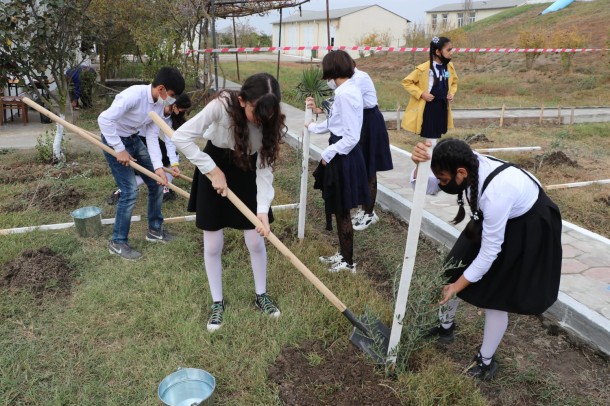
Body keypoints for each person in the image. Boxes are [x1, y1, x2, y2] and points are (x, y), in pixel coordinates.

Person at [411, 138, 562, 380]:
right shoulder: (465, 164)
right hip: (494, 218)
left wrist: (458, 287)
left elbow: (490, 252)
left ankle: (485, 362)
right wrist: (418, 164)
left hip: (528, 224)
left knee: (497, 295)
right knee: (450, 271)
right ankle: (445, 328)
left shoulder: (496, 195)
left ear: (461, 173)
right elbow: (428, 186)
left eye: (444, 180)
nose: (441, 184)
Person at [172, 73, 285, 332]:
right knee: (213, 245)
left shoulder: (269, 119)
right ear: (243, 100)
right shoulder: (220, 106)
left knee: (256, 239)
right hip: (215, 168)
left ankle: (261, 296)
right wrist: (212, 171)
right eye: (257, 112)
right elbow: (181, 137)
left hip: (248, 174)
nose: (261, 119)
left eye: (268, 114)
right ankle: (217, 303)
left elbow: (265, 170)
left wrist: (263, 210)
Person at [99, 67, 185, 260]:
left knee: (156, 182)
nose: (171, 100)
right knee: (129, 191)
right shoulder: (133, 96)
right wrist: (119, 149)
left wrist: (157, 168)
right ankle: (118, 242)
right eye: (171, 95)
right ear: (161, 88)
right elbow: (104, 119)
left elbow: (153, 137)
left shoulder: (158, 106)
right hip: (114, 141)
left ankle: (155, 230)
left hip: (133, 139)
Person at [306, 58, 393, 231]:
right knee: (364, 167)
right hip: (357, 119)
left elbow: (340, 102)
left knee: (370, 167)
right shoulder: (346, 85)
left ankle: (368, 213)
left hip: (368, 121)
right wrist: (318, 112)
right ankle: (364, 209)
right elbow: (337, 105)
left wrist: (328, 150)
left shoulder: (357, 80)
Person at [307, 50, 370, 273]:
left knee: (342, 209)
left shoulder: (347, 93)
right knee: (338, 208)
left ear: (332, 69)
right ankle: (343, 254)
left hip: (344, 155)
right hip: (340, 151)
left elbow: (352, 136)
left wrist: (328, 154)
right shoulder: (344, 91)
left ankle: (348, 262)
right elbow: (336, 122)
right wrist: (314, 127)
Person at [107, 93, 192, 204]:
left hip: (150, 140)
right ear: (174, 105)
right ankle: (120, 192)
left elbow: (170, 140)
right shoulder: (155, 108)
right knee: (147, 171)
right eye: (182, 109)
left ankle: (165, 189)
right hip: (136, 139)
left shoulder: (171, 117)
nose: (182, 113)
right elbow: (150, 137)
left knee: (169, 159)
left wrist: (174, 164)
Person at [401, 36, 458, 139]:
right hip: (429, 107)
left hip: (443, 106)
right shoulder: (423, 69)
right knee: (430, 136)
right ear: (438, 52)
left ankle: (433, 153)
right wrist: (421, 94)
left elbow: (454, 82)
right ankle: (429, 153)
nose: (451, 52)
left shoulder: (450, 67)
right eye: (448, 50)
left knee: (437, 134)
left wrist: (452, 93)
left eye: (452, 49)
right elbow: (407, 82)